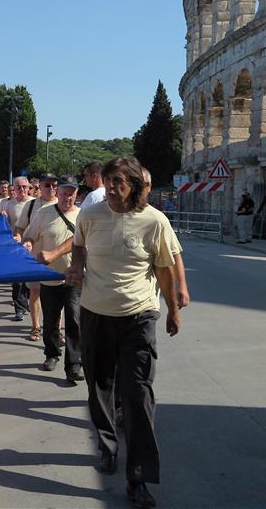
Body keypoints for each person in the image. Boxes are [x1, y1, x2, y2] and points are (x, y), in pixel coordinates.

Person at [66, 156, 181, 509]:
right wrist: (77, 267)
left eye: (119, 182)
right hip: (95, 314)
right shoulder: (90, 213)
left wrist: (173, 309)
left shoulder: (154, 221)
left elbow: (165, 269)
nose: (111, 188)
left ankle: (139, 478)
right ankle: (107, 444)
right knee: (99, 386)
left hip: (138, 317)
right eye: (108, 180)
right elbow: (79, 245)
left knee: (137, 394)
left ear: (133, 184)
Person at [21, 179, 83, 383]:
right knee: (50, 321)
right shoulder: (43, 214)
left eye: (72, 193)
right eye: (65, 193)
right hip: (49, 277)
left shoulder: (83, 216)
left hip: (74, 277)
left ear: (77, 195)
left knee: (74, 319)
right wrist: (28, 244)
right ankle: (51, 353)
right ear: (58, 193)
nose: (68, 197)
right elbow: (28, 236)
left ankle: (74, 364)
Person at [15, 173, 58, 341]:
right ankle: (36, 327)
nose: (52, 188)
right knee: (35, 292)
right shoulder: (31, 205)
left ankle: (54, 328)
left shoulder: (61, 204)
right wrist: (20, 238)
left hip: (56, 258)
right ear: (39, 186)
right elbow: (20, 228)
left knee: (56, 296)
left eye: (55, 185)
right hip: (34, 258)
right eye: (48, 185)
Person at [142, 168, 189, 308]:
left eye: (143, 184)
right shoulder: (104, 215)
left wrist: (182, 286)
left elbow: (174, 255)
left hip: (144, 304)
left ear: (149, 187)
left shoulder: (157, 219)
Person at [0, 176, 34, 322]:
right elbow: (1, 224)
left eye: (24, 187)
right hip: (15, 246)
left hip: (33, 245)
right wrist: (2, 217)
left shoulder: (34, 203)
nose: (22, 190)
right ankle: (19, 308)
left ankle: (29, 302)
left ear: (29, 188)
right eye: (18, 187)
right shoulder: (7, 204)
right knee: (17, 281)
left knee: (31, 280)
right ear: (14, 189)